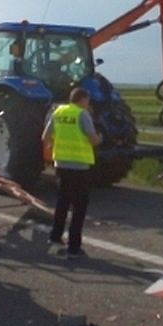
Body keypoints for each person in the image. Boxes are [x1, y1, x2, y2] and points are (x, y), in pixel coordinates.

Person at [41, 87, 102, 259]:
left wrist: (54, 147)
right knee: (79, 206)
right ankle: (74, 247)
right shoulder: (82, 114)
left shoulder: (58, 112)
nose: (88, 103)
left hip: (61, 163)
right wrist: (100, 139)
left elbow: (45, 137)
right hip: (79, 166)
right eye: (87, 100)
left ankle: (55, 236)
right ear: (82, 99)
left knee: (62, 201)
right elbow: (92, 139)